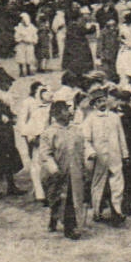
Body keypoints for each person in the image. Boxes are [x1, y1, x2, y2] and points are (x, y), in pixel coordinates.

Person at [40, 94, 88, 240]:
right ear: (57, 115)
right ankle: (54, 219)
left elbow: (84, 146)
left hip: (75, 171)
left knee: (72, 200)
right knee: (57, 199)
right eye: (65, 111)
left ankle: (70, 227)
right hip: (58, 173)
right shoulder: (50, 133)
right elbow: (45, 154)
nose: (69, 113)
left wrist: (87, 160)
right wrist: (54, 169)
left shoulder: (76, 130)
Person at [83, 90, 129, 224]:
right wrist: (91, 152)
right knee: (98, 184)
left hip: (115, 155)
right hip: (99, 158)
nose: (102, 103)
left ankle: (117, 211)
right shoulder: (90, 119)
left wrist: (125, 154)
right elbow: (86, 139)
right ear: (93, 105)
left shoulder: (114, 117)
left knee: (117, 184)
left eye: (103, 100)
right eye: (98, 102)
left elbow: (121, 137)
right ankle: (97, 211)